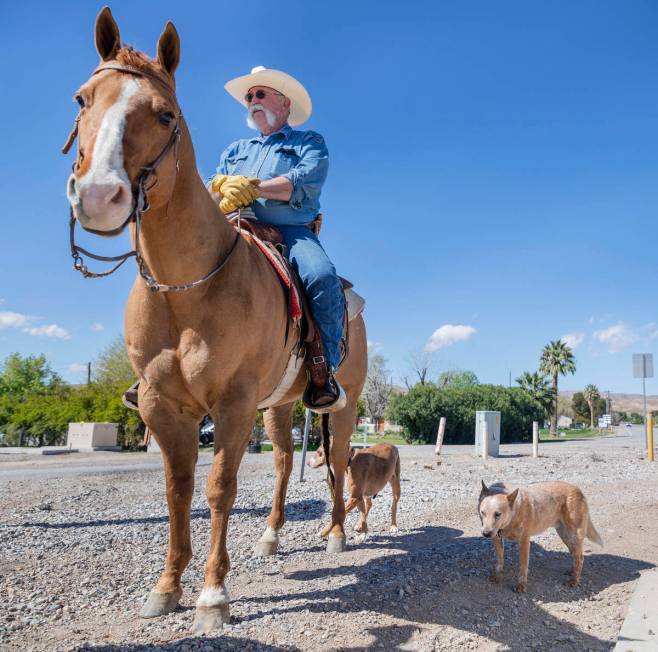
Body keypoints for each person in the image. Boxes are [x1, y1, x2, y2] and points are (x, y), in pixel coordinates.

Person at [123, 66, 345, 412]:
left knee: (321, 276)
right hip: (231, 225)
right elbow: (208, 191)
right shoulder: (235, 149)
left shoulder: (309, 142)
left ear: (284, 104)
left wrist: (254, 187)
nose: (252, 101)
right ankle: (156, 367)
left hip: (288, 231)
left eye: (260, 94)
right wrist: (219, 187)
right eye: (249, 97)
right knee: (174, 268)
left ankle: (323, 364)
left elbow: (302, 183)